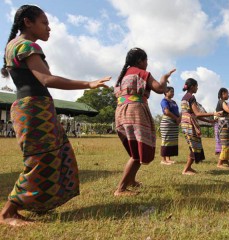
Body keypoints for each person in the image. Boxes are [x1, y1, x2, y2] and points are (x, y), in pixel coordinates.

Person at [0, 5, 110, 226]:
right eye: (45, 23)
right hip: (34, 108)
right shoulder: (27, 46)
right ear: (28, 22)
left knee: (57, 155)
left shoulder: (13, 45)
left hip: (32, 107)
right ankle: (8, 213)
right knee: (41, 160)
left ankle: (38, 204)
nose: (49, 28)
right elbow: (47, 80)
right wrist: (87, 83)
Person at [114, 47, 175, 195]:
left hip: (121, 112)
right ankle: (120, 189)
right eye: (146, 60)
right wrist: (164, 79)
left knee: (135, 150)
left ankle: (132, 181)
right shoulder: (141, 73)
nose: (147, 63)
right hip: (135, 112)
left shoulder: (122, 77)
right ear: (140, 61)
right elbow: (160, 89)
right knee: (136, 154)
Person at [181, 78, 221, 175]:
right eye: (196, 86)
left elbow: (194, 114)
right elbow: (198, 113)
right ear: (192, 86)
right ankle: (186, 170)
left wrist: (209, 120)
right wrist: (214, 113)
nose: (197, 88)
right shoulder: (191, 97)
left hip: (186, 123)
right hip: (190, 125)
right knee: (194, 147)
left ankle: (188, 168)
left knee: (193, 146)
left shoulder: (184, 97)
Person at [159, 87, 180, 165]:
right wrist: (176, 118)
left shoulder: (174, 102)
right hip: (167, 123)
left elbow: (177, 111)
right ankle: (163, 160)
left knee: (171, 140)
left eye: (173, 92)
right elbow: (166, 111)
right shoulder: (164, 101)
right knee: (166, 140)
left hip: (174, 123)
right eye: (171, 92)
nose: (173, 93)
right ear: (166, 92)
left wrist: (178, 119)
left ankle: (168, 158)